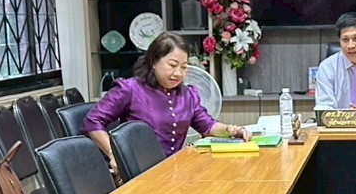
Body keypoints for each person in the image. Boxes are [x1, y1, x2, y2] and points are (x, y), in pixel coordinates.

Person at [82, 31, 248, 168]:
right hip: (140, 174)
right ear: (154, 62)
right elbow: (92, 121)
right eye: (172, 65)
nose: (178, 73)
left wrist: (231, 130)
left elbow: (208, 125)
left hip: (175, 170)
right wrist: (114, 155)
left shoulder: (188, 95)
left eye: (184, 67)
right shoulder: (130, 89)